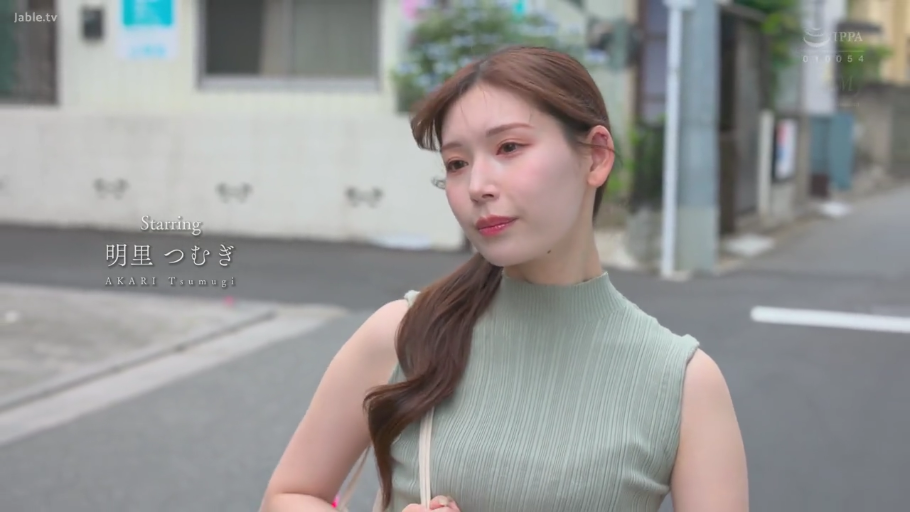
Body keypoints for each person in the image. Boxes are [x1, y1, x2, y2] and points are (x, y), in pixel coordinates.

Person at [260, 45, 749, 512]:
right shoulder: (405, 333)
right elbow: (289, 495)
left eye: (509, 147)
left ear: (596, 156)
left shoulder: (682, 382)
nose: (477, 186)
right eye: (457, 164)